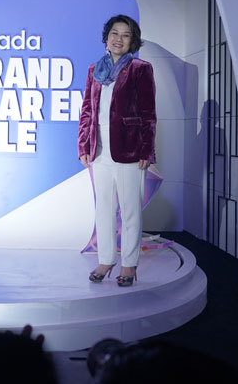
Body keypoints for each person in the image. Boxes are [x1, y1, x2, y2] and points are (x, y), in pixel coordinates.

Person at [77, 14, 156, 287]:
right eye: (114, 33)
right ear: (106, 37)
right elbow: (87, 111)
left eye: (125, 35)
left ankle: (129, 264)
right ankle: (106, 258)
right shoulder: (94, 70)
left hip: (130, 150)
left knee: (131, 210)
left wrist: (147, 150)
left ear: (132, 41)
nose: (118, 39)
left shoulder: (140, 69)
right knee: (104, 209)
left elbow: (149, 113)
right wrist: (84, 145)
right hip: (100, 151)